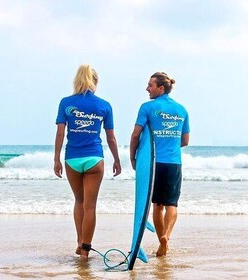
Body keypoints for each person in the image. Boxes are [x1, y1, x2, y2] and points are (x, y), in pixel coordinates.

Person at [54, 64, 122, 260]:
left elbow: (60, 132)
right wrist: (117, 159)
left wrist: (56, 159)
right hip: (94, 159)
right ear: (95, 82)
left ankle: (79, 242)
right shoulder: (104, 105)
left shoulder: (66, 102)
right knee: (90, 205)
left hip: (72, 158)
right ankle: (85, 250)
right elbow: (111, 137)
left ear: (77, 80)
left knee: (79, 201)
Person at [129, 72, 189, 257]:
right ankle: (167, 237)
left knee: (157, 206)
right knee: (172, 204)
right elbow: (185, 141)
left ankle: (161, 239)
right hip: (173, 163)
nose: (147, 88)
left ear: (160, 88)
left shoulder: (147, 107)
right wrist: (168, 141)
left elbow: (136, 135)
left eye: (150, 85)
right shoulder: (182, 110)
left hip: (154, 164)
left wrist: (133, 158)